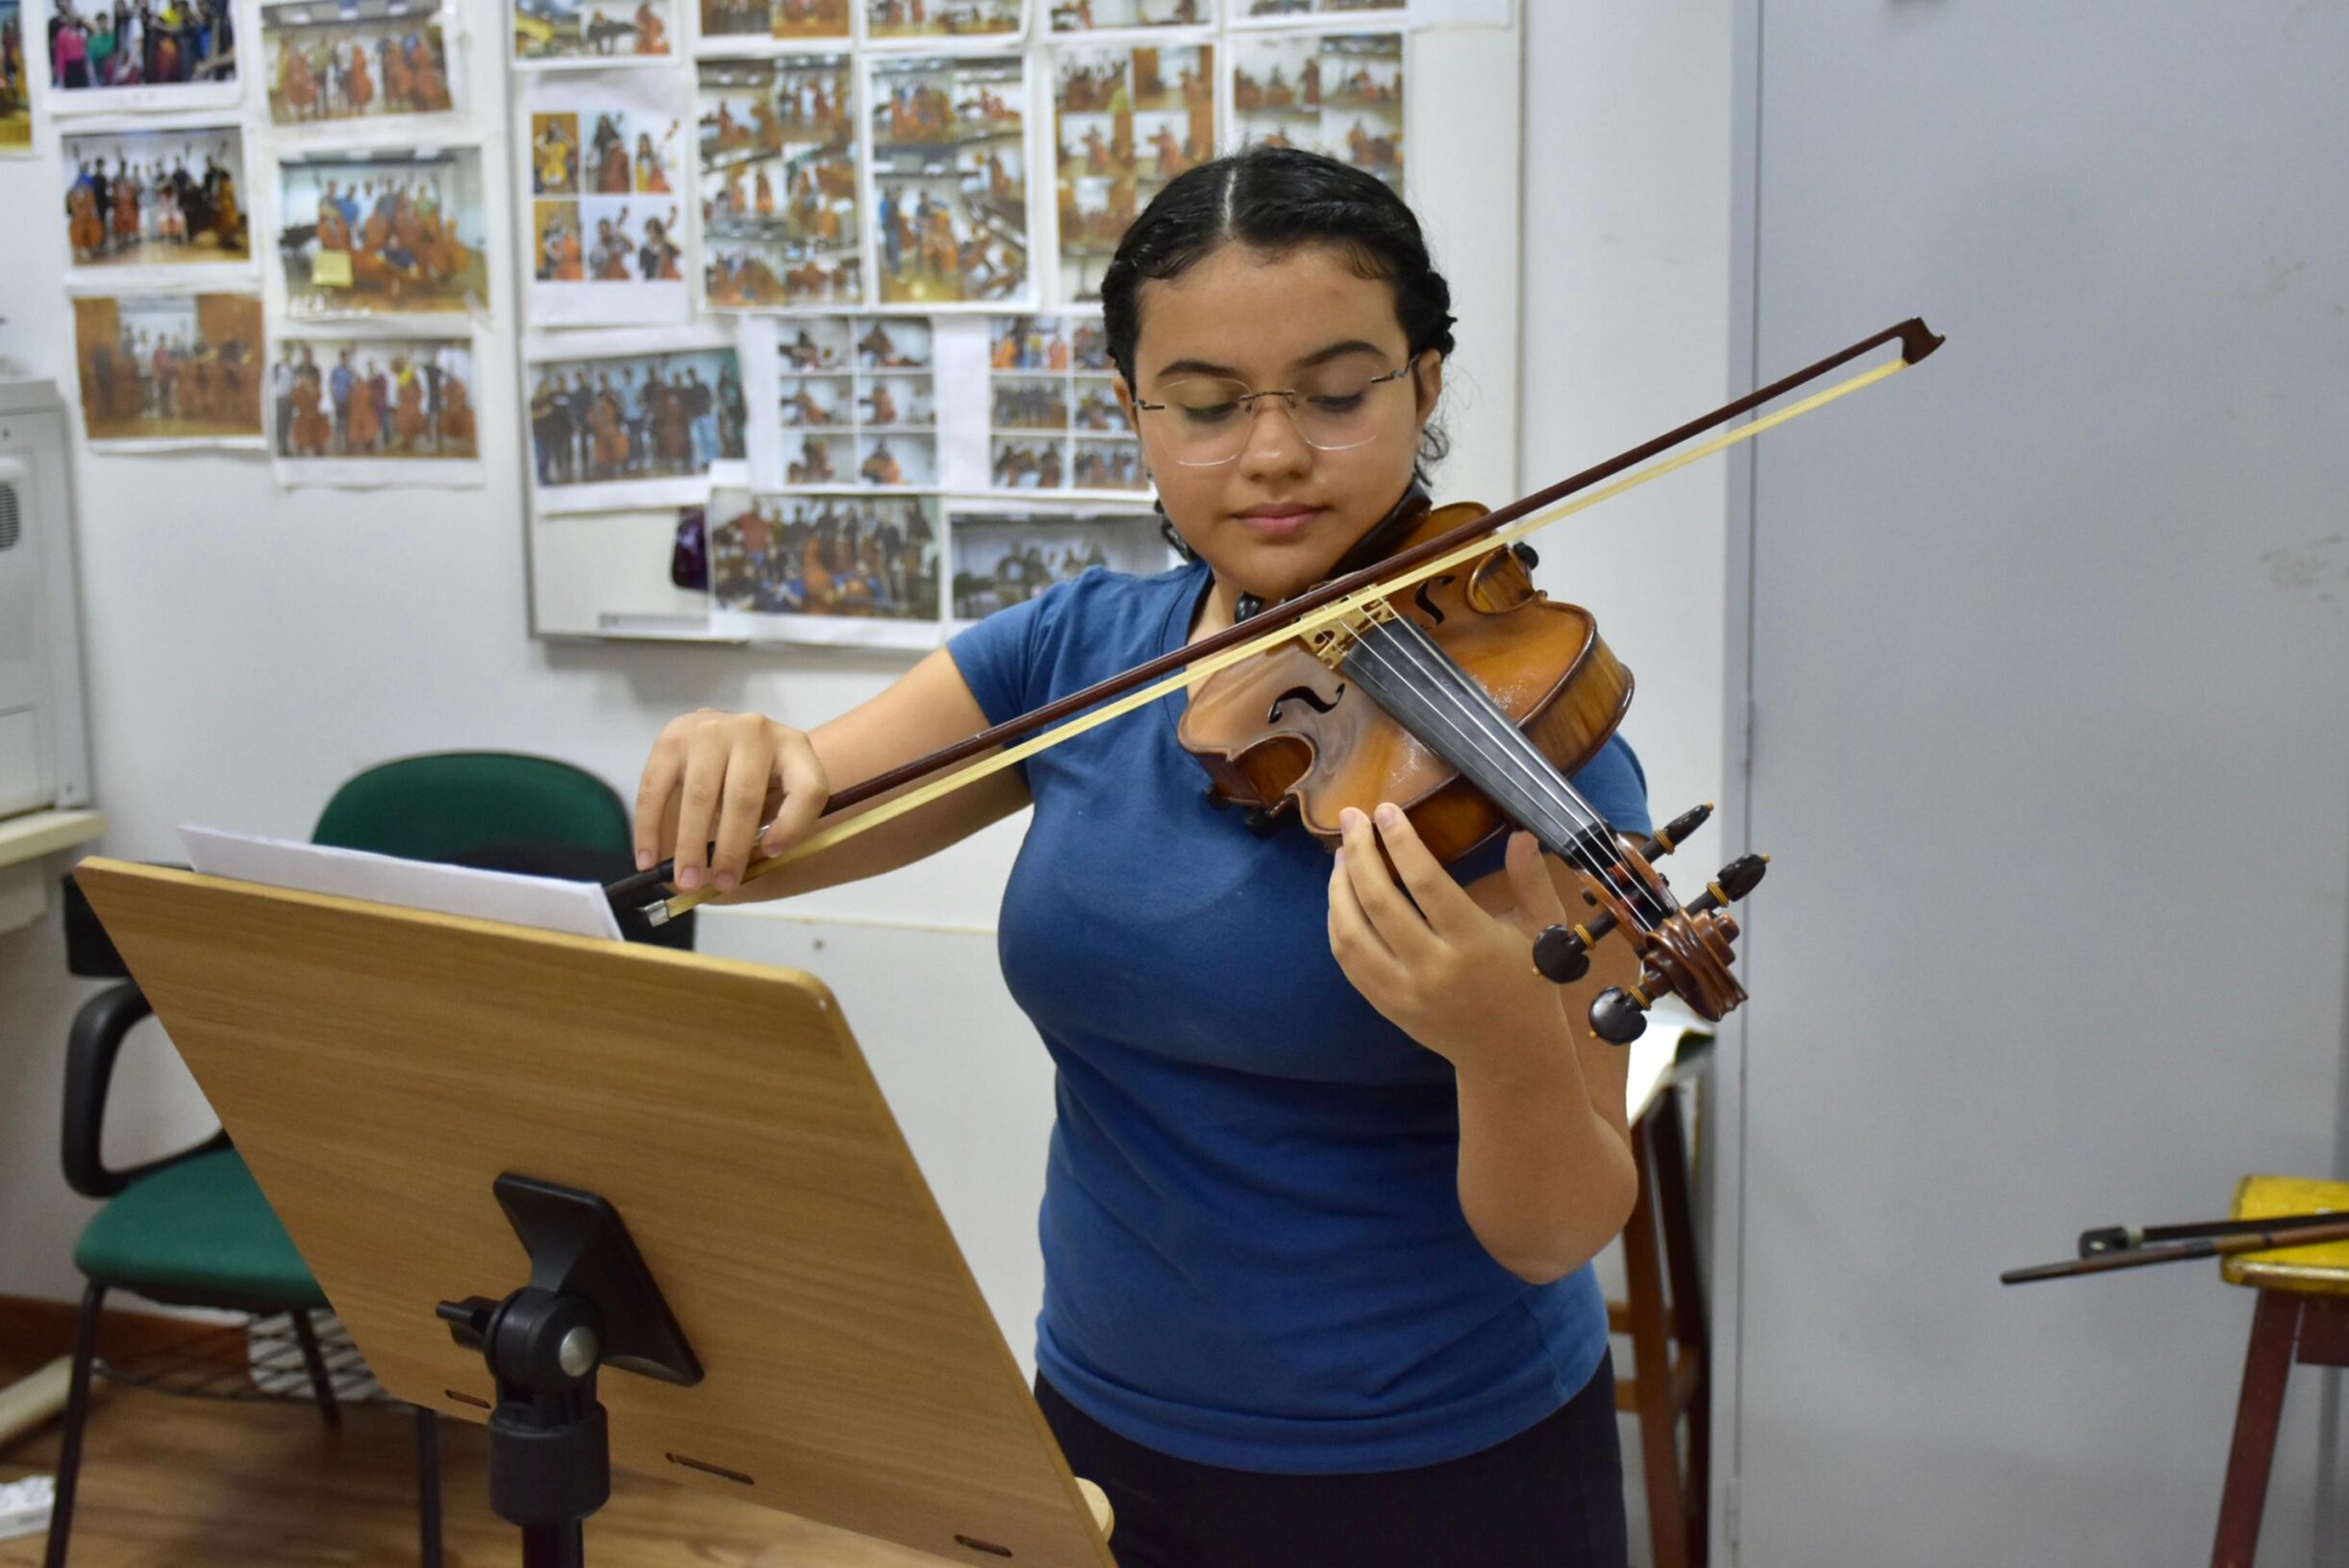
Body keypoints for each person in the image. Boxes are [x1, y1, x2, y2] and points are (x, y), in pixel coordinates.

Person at [633, 146, 1639, 1568]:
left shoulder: (1539, 740)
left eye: (1339, 394)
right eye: (1211, 407)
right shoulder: (1076, 652)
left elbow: (1559, 1232)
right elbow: (777, 832)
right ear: (1135, 414)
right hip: (1102, 1431)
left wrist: (1501, 1044)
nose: (1275, 453)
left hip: (1446, 1467)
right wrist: (733, 752)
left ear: (1423, 384)